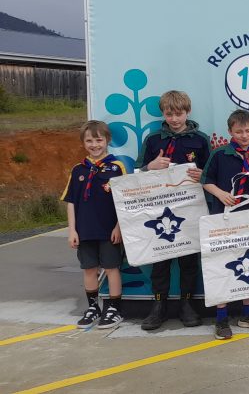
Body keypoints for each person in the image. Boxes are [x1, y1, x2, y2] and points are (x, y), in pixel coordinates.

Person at [201, 109, 249, 339]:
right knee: (222, 263)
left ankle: (247, 313)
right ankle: (221, 317)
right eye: (238, 131)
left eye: (248, 130)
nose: (244, 135)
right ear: (230, 132)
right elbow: (206, 180)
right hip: (223, 219)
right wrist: (221, 194)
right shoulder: (219, 155)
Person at [139, 90, 209, 330]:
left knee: (188, 259)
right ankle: (159, 306)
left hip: (189, 209)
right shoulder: (153, 140)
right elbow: (138, 172)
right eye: (170, 114)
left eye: (179, 114)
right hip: (159, 211)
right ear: (163, 114)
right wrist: (151, 166)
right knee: (160, 259)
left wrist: (203, 174)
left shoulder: (200, 140)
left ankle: (186, 305)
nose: (175, 119)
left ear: (187, 112)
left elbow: (210, 173)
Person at [63, 120, 127, 330]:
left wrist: (118, 227)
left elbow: (125, 201)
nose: (94, 145)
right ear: (83, 143)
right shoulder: (78, 169)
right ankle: (93, 308)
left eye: (99, 140)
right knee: (88, 269)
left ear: (107, 140)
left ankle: (114, 308)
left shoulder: (117, 168)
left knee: (111, 268)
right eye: (89, 140)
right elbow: (71, 201)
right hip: (84, 231)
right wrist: (72, 230)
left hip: (109, 231)